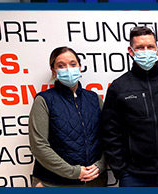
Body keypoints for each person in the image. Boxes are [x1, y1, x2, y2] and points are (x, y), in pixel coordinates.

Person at [100, 27, 158, 187]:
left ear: (157, 50)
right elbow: (108, 131)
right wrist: (120, 169)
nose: (145, 51)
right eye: (140, 47)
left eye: (150, 47)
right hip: (133, 176)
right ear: (131, 51)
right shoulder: (119, 87)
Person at [28, 47, 107, 187]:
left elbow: (106, 136)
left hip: (94, 180)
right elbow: (39, 145)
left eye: (72, 64)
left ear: (80, 67)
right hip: (54, 182)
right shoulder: (44, 100)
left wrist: (100, 165)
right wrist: (74, 172)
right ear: (53, 71)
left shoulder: (94, 98)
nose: (68, 69)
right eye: (61, 65)